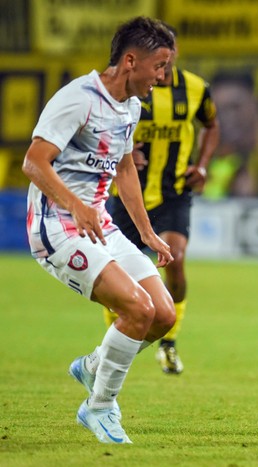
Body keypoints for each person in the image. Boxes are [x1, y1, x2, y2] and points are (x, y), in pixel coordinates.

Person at [23, 16, 176, 444]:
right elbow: (34, 162)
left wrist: (146, 232)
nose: (162, 77)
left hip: (99, 225)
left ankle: (94, 366)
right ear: (131, 61)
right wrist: (75, 205)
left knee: (162, 316)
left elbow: (124, 168)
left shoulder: (131, 106)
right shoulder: (78, 99)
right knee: (137, 310)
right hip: (58, 227)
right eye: (159, 66)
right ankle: (100, 407)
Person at [104, 23, 220, 375]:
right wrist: (124, 153)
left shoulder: (196, 89)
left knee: (177, 259)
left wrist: (201, 165)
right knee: (116, 273)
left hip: (173, 192)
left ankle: (169, 341)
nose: (163, 66)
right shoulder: (131, 87)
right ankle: (115, 337)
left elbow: (212, 125)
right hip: (127, 192)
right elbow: (104, 131)